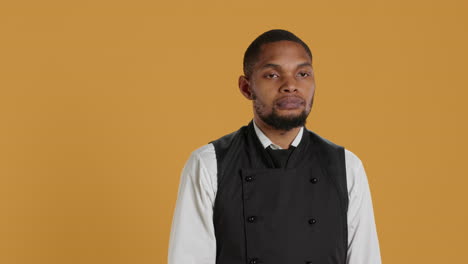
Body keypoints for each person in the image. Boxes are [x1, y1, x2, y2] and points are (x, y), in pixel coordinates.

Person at [167, 29, 382, 264]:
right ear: (246, 88)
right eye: (272, 75)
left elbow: (365, 258)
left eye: (302, 73)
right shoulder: (208, 164)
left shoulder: (346, 166)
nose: (290, 85)